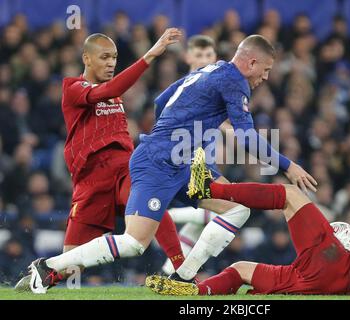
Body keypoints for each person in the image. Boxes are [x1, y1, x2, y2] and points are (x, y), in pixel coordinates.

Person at [28, 34, 317, 294]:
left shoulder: (210, 68)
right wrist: (287, 165)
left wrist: (180, 139)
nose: (265, 77)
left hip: (182, 161)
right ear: (252, 62)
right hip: (158, 162)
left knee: (237, 208)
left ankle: (183, 278)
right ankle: (48, 266)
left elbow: (161, 100)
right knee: (134, 243)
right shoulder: (235, 81)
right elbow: (245, 135)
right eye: (265, 70)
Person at [16, 28, 186, 291]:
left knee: (152, 203)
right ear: (86, 58)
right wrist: (151, 54)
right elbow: (110, 89)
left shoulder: (113, 93)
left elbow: (113, 95)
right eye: (105, 57)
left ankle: (182, 270)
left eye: (114, 58)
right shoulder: (73, 88)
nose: (111, 63)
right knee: (71, 264)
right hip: (91, 183)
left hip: (123, 170)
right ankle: (38, 278)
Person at [147, 152, 350, 296]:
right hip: (328, 283)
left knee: (290, 194)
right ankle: (193, 291)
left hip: (334, 265)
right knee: (240, 269)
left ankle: (207, 190)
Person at [159, 35, 220, 275]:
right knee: (221, 211)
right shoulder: (184, 88)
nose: (204, 60)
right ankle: (161, 217)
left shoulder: (216, 87)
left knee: (203, 221)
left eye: (208, 55)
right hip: (184, 160)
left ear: (215, 57)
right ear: (187, 57)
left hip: (203, 159)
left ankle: (169, 271)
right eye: (199, 55)